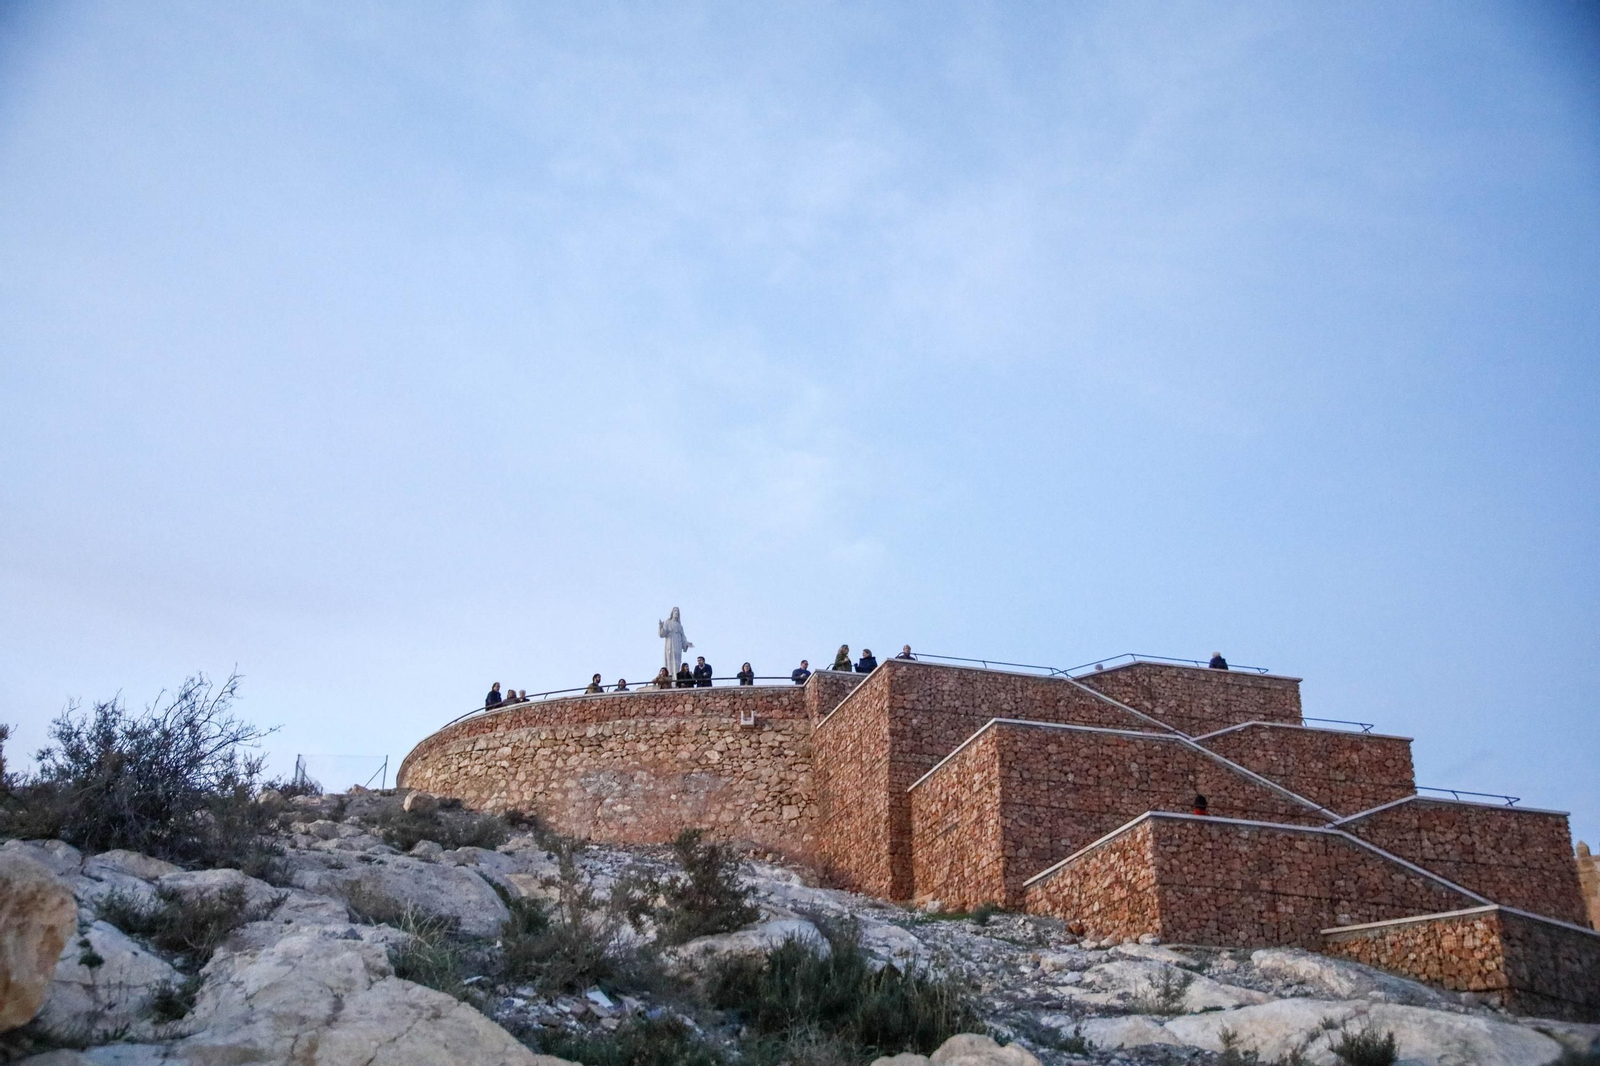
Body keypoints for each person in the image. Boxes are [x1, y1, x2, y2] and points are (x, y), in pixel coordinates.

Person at [659, 607, 693, 675]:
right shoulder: (667, 622)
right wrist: (661, 627)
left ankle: (676, 677)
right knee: (670, 661)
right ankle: (670, 676)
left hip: (678, 645)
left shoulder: (679, 625)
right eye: (675, 611)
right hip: (670, 644)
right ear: (672, 613)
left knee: (677, 662)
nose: (676, 613)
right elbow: (663, 634)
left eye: (677, 611)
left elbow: (683, 637)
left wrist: (686, 644)